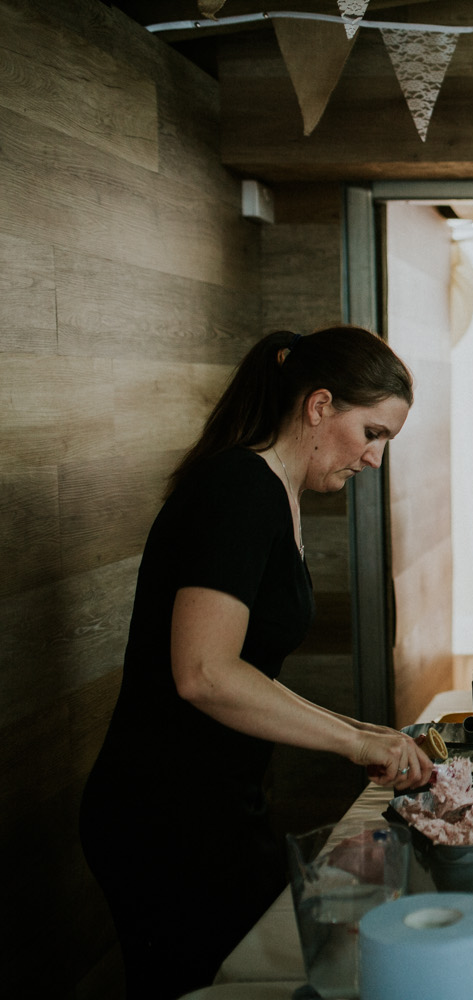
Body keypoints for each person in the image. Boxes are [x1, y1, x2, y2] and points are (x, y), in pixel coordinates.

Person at [78, 326, 434, 1000]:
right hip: (160, 810)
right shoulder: (238, 490)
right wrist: (352, 738)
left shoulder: (275, 493)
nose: (375, 459)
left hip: (214, 802)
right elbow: (204, 673)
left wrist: (361, 732)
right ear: (319, 405)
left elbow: (249, 672)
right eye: (374, 432)